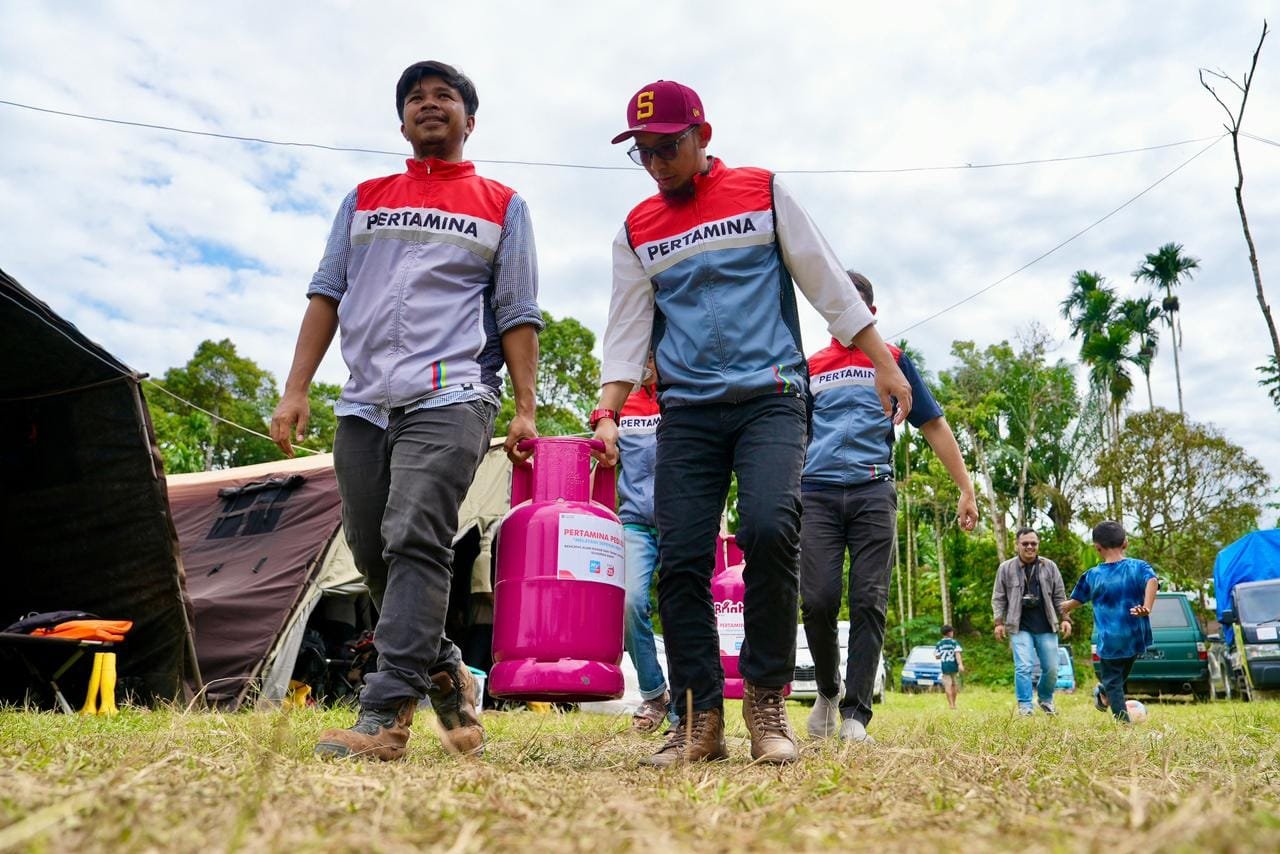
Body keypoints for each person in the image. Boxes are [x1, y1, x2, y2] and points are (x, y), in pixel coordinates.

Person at [590, 79, 913, 766]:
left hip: (772, 397)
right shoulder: (637, 229)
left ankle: (765, 701)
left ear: (703, 136)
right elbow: (626, 330)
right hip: (688, 410)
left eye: (668, 147)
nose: (656, 163)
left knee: (769, 528)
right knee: (681, 557)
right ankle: (697, 716)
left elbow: (827, 282)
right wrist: (608, 410)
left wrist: (884, 363)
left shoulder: (761, 191)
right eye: (643, 152)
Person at [269, 60, 542, 760]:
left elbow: (517, 310)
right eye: (415, 98)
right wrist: (296, 388)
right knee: (371, 548)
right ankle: (444, 664)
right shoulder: (364, 199)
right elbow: (327, 292)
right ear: (401, 123)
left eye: (444, 96)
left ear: (469, 120)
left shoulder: (502, 205)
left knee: (415, 535)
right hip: (364, 402)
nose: (429, 104)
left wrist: (525, 407)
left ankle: (385, 713)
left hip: (453, 391)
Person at [800, 271, 978, 742]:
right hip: (816, 494)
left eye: (853, 309)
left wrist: (966, 488)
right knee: (817, 600)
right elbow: (793, 434)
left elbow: (933, 424)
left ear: (870, 314)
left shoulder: (894, 361)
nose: (843, 317)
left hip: (872, 492)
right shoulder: (811, 366)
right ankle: (828, 691)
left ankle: (856, 716)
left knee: (868, 599)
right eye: (835, 308)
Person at [617, 353, 671, 732]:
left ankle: (689, 701)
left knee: (682, 607)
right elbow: (605, 459)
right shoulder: (621, 404)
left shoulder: (682, 396)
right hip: (634, 522)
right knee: (630, 601)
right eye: (643, 352)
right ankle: (654, 694)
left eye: (654, 351)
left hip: (679, 521)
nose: (647, 359)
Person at [1061, 520, 1158, 723]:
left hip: (1111, 639)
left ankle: (1103, 691)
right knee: (1116, 681)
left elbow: (1078, 598)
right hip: (1135, 636)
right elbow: (1152, 581)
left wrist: (1066, 607)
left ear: (1097, 548)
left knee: (1115, 679)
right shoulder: (1139, 567)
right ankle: (1123, 723)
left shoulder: (1092, 575)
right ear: (1125, 543)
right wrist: (1147, 607)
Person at [991, 527, 1071, 715]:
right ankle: (1025, 706)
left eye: (1033, 543)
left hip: (1047, 625)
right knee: (1023, 667)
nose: (1029, 547)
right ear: (1017, 545)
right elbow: (998, 597)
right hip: (1019, 626)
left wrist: (1065, 618)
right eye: (1025, 543)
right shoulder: (1006, 568)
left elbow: (1060, 595)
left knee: (1052, 668)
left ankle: (1045, 698)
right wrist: (998, 622)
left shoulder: (1050, 566)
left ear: (1038, 545)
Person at [934, 625, 964, 710]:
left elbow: (937, 656)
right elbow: (957, 654)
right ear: (950, 633)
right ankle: (954, 703)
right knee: (954, 685)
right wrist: (960, 664)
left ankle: (950, 704)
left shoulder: (939, 643)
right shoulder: (954, 642)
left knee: (948, 685)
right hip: (953, 666)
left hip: (945, 667)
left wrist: (943, 655)